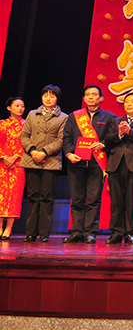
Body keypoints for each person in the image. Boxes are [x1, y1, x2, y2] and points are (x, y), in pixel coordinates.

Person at [62, 85, 116, 244]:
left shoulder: (109, 117)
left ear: (101, 98)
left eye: (94, 94)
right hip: (76, 162)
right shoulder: (74, 116)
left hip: (97, 164)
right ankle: (77, 231)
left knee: (93, 200)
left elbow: (113, 137)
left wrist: (103, 144)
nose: (91, 97)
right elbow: (66, 137)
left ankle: (90, 232)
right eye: (87, 94)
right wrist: (69, 153)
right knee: (77, 199)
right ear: (84, 98)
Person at [20, 85, 68, 243]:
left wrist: (44, 152)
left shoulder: (63, 117)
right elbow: (24, 135)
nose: (48, 98)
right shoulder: (32, 114)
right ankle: (30, 233)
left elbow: (61, 140)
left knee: (46, 197)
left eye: (52, 96)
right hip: (31, 159)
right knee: (33, 197)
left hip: (50, 161)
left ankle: (44, 233)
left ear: (57, 98)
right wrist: (33, 151)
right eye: (45, 95)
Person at [103, 93, 133, 245]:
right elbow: (107, 140)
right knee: (116, 201)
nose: (129, 104)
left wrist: (130, 132)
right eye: (127, 102)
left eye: (132, 101)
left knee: (132, 201)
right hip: (116, 164)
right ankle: (116, 232)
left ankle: (130, 233)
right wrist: (119, 134)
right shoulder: (116, 121)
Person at [0, 98, 26, 239]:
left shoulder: (26, 124)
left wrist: (15, 156)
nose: (20, 108)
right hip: (2, 164)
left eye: (22, 106)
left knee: (14, 195)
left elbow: (28, 143)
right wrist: (4, 157)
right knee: (1, 194)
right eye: (17, 106)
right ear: (9, 107)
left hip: (18, 164)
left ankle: (9, 228)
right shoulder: (1, 124)